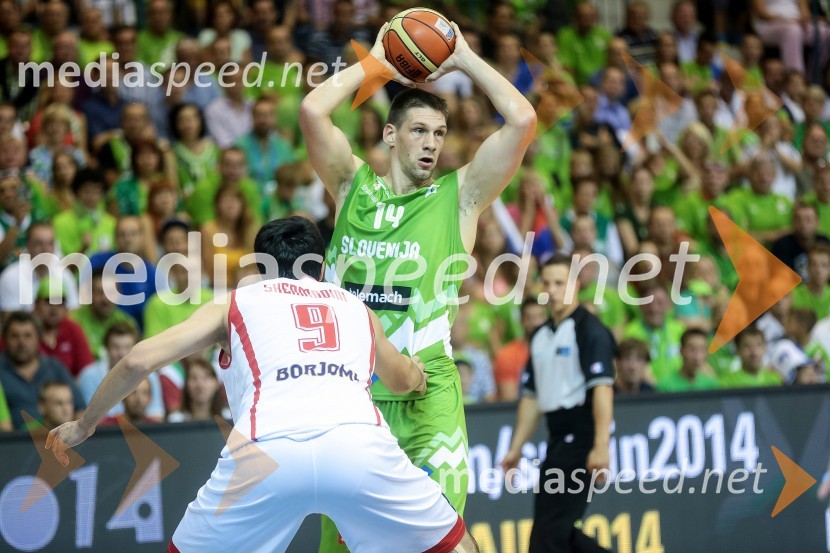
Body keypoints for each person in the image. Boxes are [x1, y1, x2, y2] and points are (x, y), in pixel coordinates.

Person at [46, 216, 480, 553]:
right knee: (456, 542)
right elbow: (403, 380)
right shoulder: (356, 307)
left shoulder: (235, 303)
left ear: (260, 265)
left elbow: (139, 358)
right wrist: (420, 373)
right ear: (322, 264)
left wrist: (84, 425)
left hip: (266, 455)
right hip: (358, 448)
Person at [300, 19, 536, 551]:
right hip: (354, 400)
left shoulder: (460, 198)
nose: (431, 143)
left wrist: (465, 58)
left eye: (438, 133)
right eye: (418, 131)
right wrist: (380, 62)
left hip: (429, 393)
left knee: (442, 542)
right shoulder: (350, 186)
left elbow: (522, 120)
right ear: (390, 135)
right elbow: (313, 110)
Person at [501, 255, 615, 553]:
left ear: (576, 284)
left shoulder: (590, 331)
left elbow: (602, 389)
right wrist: (516, 447)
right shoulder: (539, 335)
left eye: (560, 283)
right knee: (548, 534)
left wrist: (600, 445)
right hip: (556, 439)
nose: (552, 290)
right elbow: (531, 397)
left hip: (582, 437)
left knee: (552, 533)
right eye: (547, 283)